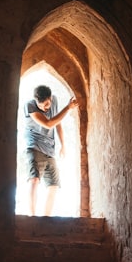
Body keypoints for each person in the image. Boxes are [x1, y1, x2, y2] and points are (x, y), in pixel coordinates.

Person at [23, 85, 78, 216]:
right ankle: (32, 216)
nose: (44, 108)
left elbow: (57, 122)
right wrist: (68, 107)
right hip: (35, 147)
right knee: (34, 179)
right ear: (35, 101)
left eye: (47, 104)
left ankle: (46, 218)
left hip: (50, 150)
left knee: (54, 184)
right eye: (41, 105)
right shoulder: (30, 106)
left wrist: (63, 144)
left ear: (50, 98)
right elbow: (48, 123)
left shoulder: (55, 101)